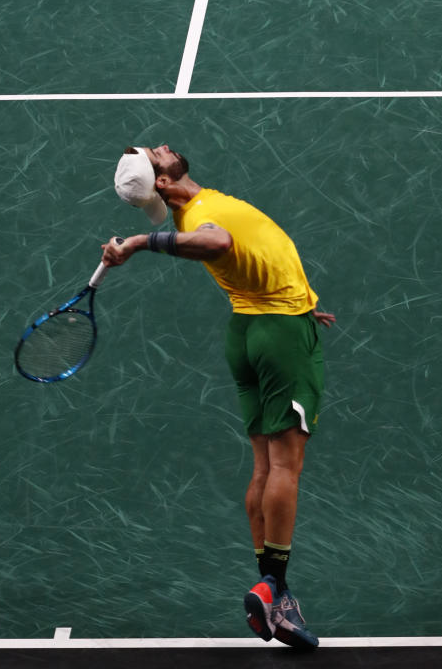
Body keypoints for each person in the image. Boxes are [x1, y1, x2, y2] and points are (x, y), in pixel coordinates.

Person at [104, 143, 336, 651]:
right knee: (285, 467)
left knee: (262, 466)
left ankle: (277, 595)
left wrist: (299, 296)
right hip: (279, 336)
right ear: (162, 182)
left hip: (251, 330)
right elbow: (220, 243)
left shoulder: (192, 205)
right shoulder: (202, 215)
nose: (162, 147)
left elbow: (253, 252)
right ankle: (273, 583)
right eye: (155, 154)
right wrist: (143, 242)